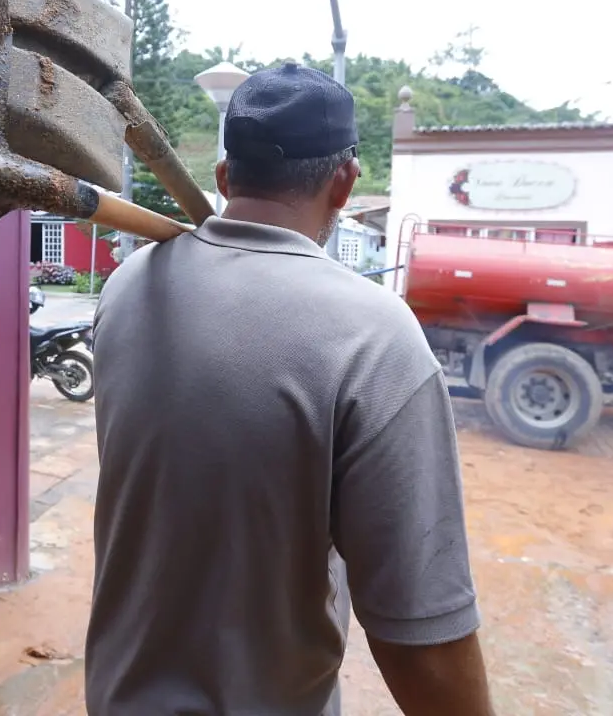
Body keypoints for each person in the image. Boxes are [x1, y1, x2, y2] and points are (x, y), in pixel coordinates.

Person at [86, 62, 494, 716]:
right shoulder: (374, 335)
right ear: (345, 181)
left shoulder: (128, 288)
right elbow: (421, 634)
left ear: (225, 177)